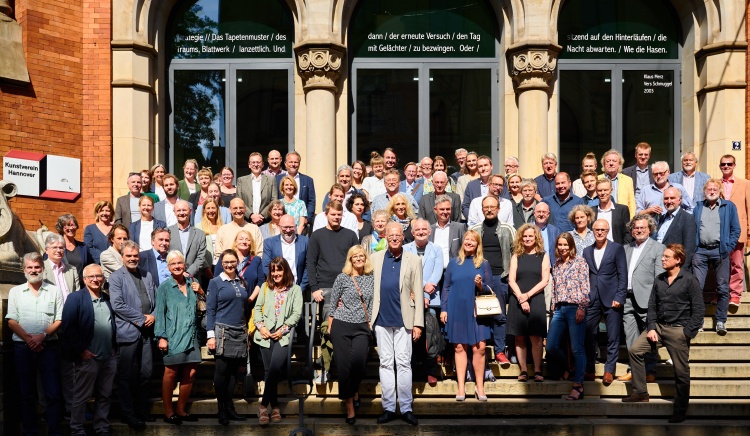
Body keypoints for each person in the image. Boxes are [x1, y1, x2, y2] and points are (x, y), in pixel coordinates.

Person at [622, 244, 703, 424]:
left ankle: (680, 409)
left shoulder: (689, 280)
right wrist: (651, 327)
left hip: (678, 330)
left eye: (667, 257)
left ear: (678, 260)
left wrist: (687, 333)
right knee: (635, 350)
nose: (662, 259)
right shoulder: (659, 279)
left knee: (681, 372)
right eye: (663, 256)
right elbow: (652, 306)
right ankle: (640, 392)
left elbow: (699, 310)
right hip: (658, 327)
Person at [371, 223, 423, 426]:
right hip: (381, 319)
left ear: (403, 237)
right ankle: (389, 408)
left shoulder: (413, 259)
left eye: (397, 235)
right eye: (390, 235)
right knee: (385, 363)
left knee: (403, 363)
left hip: (404, 319)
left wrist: (418, 323)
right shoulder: (375, 258)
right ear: (385, 236)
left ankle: (406, 408)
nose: (394, 238)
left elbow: (418, 291)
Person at [7, 253, 64, 436]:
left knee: (53, 393)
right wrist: (29, 339)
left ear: (42, 268)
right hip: (22, 348)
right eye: (30, 267)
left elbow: (59, 319)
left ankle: (54, 431)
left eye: (37, 267)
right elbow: (11, 321)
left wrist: (43, 336)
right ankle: (30, 431)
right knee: (26, 394)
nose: (33, 270)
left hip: (49, 348)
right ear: (24, 270)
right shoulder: (15, 292)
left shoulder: (54, 291)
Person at [60, 263, 117, 436]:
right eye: (91, 276)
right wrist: (82, 351)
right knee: (81, 396)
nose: (95, 279)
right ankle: (77, 429)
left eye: (98, 276)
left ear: (103, 278)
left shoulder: (107, 299)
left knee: (105, 395)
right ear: (84, 279)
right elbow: (68, 328)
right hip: (88, 357)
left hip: (108, 356)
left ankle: (101, 427)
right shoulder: (75, 298)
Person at [308, 200, 360, 379]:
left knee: (347, 329)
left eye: (339, 215)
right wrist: (314, 288)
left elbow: (356, 261)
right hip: (325, 288)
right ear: (326, 215)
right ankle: (326, 367)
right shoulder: (317, 236)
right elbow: (311, 263)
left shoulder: (351, 235)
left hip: (348, 288)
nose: (336, 218)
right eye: (333, 214)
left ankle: (345, 369)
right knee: (328, 329)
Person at [109, 242, 156, 430]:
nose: (132, 259)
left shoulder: (147, 274)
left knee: (146, 373)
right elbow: (117, 305)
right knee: (127, 375)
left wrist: (153, 315)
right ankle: (128, 413)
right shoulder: (115, 277)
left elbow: (156, 299)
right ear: (122, 256)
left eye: (135, 255)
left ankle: (142, 410)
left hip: (147, 333)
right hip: (129, 331)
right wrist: (140, 318)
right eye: (128, 256)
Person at [440, 230, 492, 400]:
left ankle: (479, 387)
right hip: (457, 308)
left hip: (476, 310)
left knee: (480, 347)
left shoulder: (483, 264)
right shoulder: (454, 263)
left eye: (473, 240)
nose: (469, 242)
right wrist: (444, 309)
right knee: (460, 347)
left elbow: (489, 289)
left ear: (478, 244)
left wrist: (480, 285)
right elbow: (446, 287)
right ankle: (461, 388)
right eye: (467, 239)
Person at [155, 251, 204, 425]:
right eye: (173, 264)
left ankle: (181, 410)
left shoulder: (193, 283)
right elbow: (159, 313)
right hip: (173, 335)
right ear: (168, 267)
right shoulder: (164, 287)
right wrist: (162, 337)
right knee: (171, 372)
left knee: (190, 373)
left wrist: (201, 291)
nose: (177, 266)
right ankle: (168, 412)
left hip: (192, 335)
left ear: (184, 265)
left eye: (180, 263)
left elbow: (204, 306)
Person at [252, 257, 303, 426]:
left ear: (285, 270)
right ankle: (274, 407)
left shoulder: (295, 290)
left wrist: (282, 330)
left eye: (279, 270)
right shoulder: (267, 287)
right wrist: (261, 328)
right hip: (265, 335)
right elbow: (257, 308)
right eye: (273, 270)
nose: (275, 274)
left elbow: (296, 314)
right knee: (268, 371)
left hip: (283, 335)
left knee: (273, 369)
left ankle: (262, 405)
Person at [328, 246, 374, 425]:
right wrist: (331, 325)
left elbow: (373, 301)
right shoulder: (342, 278)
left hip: (362, 325)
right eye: (355, 256)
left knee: (359, 363)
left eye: (361, 256)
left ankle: (354, 390)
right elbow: (333, 302)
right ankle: (350, 407)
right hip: (342, 324)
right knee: (344, 367)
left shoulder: (371, 278)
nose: (359, 259)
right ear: (350, 259)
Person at [617, 215, 665, 383]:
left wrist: (656, 301)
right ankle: (635, 371)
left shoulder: (658, 248)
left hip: (647, 299)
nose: (638, 230)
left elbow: (660, 277)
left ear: (649, 229)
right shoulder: (625, 248)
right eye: (636, 228)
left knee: (649, 337)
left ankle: (650, 370)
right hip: (627, 298)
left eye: (642, 228)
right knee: (631, 337)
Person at [206, 249, 251, 425]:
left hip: (240, 331)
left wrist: (246, 332)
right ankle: (221, 409)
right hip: (223, 331)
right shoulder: (215, 282)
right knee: (221, 371)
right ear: (221, 264)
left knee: (233, 373)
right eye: (226, 262)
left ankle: (230, 407)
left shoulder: (242, 282)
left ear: (237, 262)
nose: (230, 265)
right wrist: (211, 335)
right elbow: (210, 310)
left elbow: (243, 309)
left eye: (233, 262)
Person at [692, 179, 740, 335]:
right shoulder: (698, 207)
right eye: (709, 189)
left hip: (720, 252)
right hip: (700, 252)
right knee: (697, 287)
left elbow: (735, 229)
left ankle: (720, 321)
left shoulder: (729, 206)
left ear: (719, 191)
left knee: (723, 287)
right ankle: (698, 322)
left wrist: (728, 247)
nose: (711, 191)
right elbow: (693, 228)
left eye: (714, 189)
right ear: (704, 191)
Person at [470, 195, 514, 364]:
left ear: (498, 209)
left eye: (492, 207)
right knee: (478, 314)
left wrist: (510, 275)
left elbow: (515, 252)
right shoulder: (475, 230)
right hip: (478, 277)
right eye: (486, 207)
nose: (489, 210)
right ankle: (480, 350)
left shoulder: (507, 229)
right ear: (482, 210)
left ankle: (500, 351)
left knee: (499, 315)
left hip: (500, 277)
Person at [583, 219, 627, 383]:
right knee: (588, 334)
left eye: (603, 229)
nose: (600, 232)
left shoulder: (616, 249)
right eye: (597, 229)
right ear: (593, 231)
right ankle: (589, 369)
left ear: (607, 231)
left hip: (612, 298)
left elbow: (623, 274)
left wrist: (620, 296)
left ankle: (610, 370)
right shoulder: (587, 251)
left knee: (612, 337)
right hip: (592, 298)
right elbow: (585, 275)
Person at [546, 233, 589, 400]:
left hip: (575, 308)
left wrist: (582, 307)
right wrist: (553, 307)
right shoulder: (556, 264)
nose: (562, 248)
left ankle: (578, 385)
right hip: (559, 309)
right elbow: (555, 288)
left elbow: (585, 286)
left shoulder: (579, 262)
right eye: (560, 245)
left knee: (577, 348)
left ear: (571, 246)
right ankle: (570, 367)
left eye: (565, 245)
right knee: (551, 346)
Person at [507, 224, 550, 382]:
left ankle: (538, 370)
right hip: (517, 298)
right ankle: (523, 370)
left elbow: (545, 280)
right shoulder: (516, 255)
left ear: (536, 237)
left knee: (536, 337)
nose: (527, 239)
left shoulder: (543, 255)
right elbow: (511, 279)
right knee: (519, 336)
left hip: (536, 297)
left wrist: (527, 296)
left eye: (530, 236)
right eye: (525, 236)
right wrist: (521, 297)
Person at [718, 154, 750, 308]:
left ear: (734, 165)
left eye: (729, 164)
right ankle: (721, 294)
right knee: (720, 263)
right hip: (720, 230)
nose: (726, 167)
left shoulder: (745, 184)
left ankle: (735, 295)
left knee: (737, 263)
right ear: (720, 166)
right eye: (723, 164)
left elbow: (749, 206)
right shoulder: (715, 184)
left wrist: (749, 229)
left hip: (738, 229)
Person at [214, 230, 264, 303]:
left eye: (248, 239)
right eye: (241, 239)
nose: (244, 242)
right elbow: (216, 278)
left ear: (251, 243)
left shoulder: (256, 260)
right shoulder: (225, 257)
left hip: (249, 303)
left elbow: (261, 282)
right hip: (227, 303)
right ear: (235, 242)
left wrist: (250, 299)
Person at [263, 215, 309, 292]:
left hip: (299, 288)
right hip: (277, 289)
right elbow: (266, 266)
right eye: (285, 227)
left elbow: (308, 266)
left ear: (295, 226)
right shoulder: (269, 243)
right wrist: (277, 287)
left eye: (291, 227)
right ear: (279, 227)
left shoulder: (305, 242)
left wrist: (300, 289)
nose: (288, 230)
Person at [655, 187, 697, 268]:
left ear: (680, 200)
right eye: (666, 198)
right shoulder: (662, 218)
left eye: (672, 198)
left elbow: (689, 249)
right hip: (660, 264)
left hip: (675, 267)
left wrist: (681, 271)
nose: (669, 201)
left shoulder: (687, 218)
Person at [168, 200, 208, 281]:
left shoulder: (200, 234)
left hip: (193, 278)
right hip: (172, 278)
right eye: (178, 210)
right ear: (174, 212)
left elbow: (201, 257)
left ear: (190, 211)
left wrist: (189, 273)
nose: (181, 213)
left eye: (184, 210)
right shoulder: (167, 232)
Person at [236, 152, 280, 225]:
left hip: (265, 222)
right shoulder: (241, 181)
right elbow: (239, 201)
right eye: (253, 162)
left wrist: (262, 216)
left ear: (262, 164)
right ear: (249, 165)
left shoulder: (271, 180)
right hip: (246, 222)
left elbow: (274, 201)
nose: (256, 165)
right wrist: (251, 215)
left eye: (258, 162)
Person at [429, 195, 466, 272]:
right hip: (434, 272)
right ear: (435, 210)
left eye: (448, 209)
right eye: (442, 209)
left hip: (454, 270)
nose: (445, 212)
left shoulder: (459, 227)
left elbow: (465, 249)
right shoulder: (429, 230)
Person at [276, 151, 316, 221]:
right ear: (285, 163)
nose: (293, 164)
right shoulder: (277, 179)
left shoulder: (308, 180)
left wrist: (308, 219)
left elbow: (311, 201)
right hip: (281, 221)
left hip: (301, 222)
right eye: (290, 162)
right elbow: (274, 199)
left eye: (296, 162)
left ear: (299, 164)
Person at [592, 178, 631, 245]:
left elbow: (627, 233)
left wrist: (624, 250)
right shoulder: (592, 211)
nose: (603, 193)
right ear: (596, 192)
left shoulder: (622, 210)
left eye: (606, 190)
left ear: (611, 190)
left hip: (617, 250)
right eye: (600, 190)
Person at [43, 233, 80, 302]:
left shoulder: (72, 270)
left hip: (69, 309)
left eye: (61, 247)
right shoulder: (41, 269)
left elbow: (77, 293)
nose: (58, 250)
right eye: (54, 247)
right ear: (46, 250)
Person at [599, 149, 635, 218]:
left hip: (622, 217)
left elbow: (631, 204)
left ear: (619, 164)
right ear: (604, 164)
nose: (611, 163)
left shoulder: (628, 180)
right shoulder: (598, 179)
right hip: (602, 215)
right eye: (608, 161)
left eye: (614, 161)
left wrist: (631, 221)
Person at [56, 214, 91, 283]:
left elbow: (89, 267)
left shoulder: (83, 247)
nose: (71, 228)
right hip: (63, 285)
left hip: (81, 287)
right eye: (68, 225)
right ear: (61, 228)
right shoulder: (55, 247)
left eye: (73, 225)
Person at [461, 155, 494, 219]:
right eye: (480, 166)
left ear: (491, 166)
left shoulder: (500, 183)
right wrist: (473, 220)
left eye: (486, 165)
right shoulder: (471, 185)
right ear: (477, 169)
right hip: (476, 225)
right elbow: (465, 207)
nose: (483, 168)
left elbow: (505, 204)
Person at [84, 200, 114, 264]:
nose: (104, 213)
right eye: (101, 211)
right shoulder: (90, 229)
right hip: (97, 264)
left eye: (107, 211)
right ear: (97, 213)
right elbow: (89, 247)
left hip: (114, 264)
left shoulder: (116, 229)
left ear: (111, 213)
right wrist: (103, 258)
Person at [199, 198, 223, 267]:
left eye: (213, 208)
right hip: (206, 265)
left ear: (217, 209)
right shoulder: (199, 227)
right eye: (208, 208)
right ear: (204, 210)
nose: (211, 211)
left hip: (221, 264)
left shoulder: (223, 227)